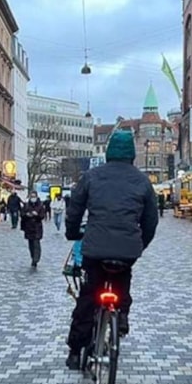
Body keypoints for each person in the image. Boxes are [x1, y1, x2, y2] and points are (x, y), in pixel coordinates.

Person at [64, 130, 159, 370]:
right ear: (131, 154)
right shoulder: (143, 181)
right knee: (122, 280)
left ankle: (75, 351)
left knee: (88, 296)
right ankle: (122, 316)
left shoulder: (91, 176)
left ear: (108, 152)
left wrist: (72, 232)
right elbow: (151, 221)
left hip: (95, 248)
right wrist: (139, 244)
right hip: (127, 250)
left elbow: (75, 209)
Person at [21, 191, 47, 267]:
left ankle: (36, 259)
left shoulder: (40, 205)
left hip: (37, 227)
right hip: (28, 227)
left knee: (36, 244)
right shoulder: (26, 205)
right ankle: (33, 257)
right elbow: (22, 214)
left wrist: (37, 215)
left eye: (34, 196)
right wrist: (26, 215)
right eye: (31, 196)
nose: (33, 198)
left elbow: (42, 216)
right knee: (31, 245)